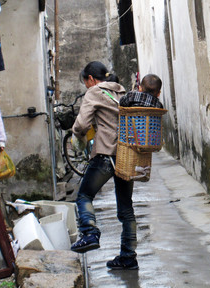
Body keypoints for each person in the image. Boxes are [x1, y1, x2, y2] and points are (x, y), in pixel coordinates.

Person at [70, 61, 138, 271]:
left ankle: (89, 233)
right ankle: (128, 256)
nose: (86, 86)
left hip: (106, 155)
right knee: (126, 209)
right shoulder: (122, 91)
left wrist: (78, 136)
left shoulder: (94, 92)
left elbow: (81, 124)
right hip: (126, 155)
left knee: (84, 196)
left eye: (85, 82)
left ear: (91, 79)